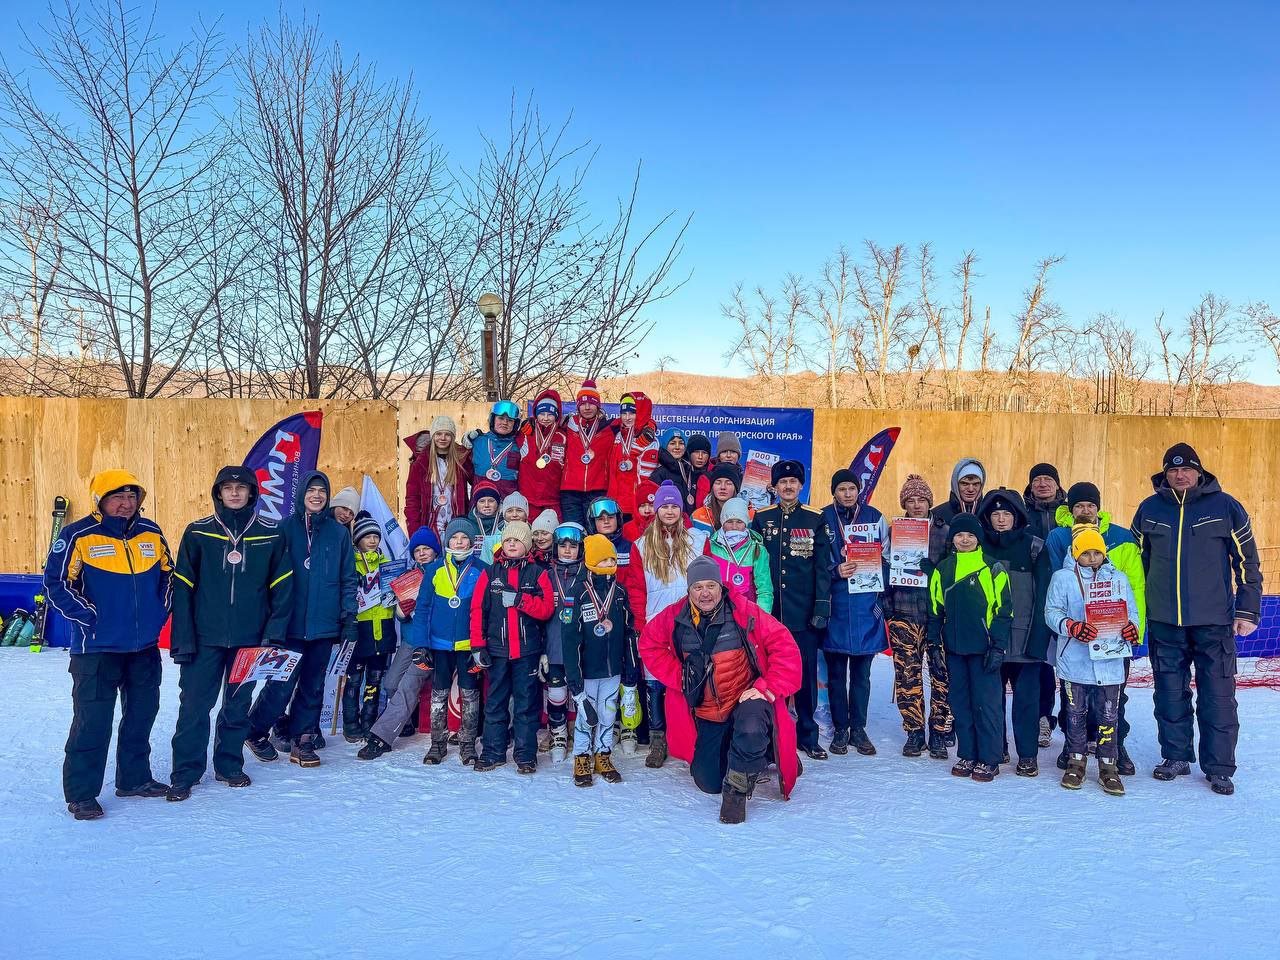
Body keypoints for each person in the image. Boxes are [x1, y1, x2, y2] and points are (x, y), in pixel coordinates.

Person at [1131, 443, 1262, 796]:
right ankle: (1175, 756)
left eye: (1186, 469)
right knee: (1169, 694)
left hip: (1213, 621)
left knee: (1218, 696)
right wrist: (1136, 614)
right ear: (1165, 474)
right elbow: (1134, 566)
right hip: (1164, 622)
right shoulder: (1150, 509)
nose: (1179, 475)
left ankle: (1219, 767)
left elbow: (1247, 562)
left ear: (1199, 471)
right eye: (1172, 470)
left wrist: (1248, 610)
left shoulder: (1225, 507)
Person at [45, 470, 174, 820]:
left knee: (141, 715)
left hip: (143, 647)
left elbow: (169, 576)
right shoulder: (78, 535)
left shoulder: (151, 533)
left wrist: (159, 612)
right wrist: (90, 617)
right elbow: (56, 584)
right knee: (93, 721)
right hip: (96, 650)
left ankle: (134, 779)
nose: (126, 503)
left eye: (132, 497)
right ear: (100, 500)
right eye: (118, 497)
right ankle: (82, 793)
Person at [638, 555, 802, 824]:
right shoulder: (674, 617)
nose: (705, 593)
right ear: (689, 590)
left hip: (745, 699)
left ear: (720, 586)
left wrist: (767, 687)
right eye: (698, 587)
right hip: (709, 712)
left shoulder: (743, 611)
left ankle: (736, 793)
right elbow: (649, 644)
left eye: (711, 586)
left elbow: (785, 646)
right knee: (708, 781)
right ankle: (767, 751)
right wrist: (679, 677)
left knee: (750, 728)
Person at [168, 466, 293, 801]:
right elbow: (182, 590)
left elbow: (282, 589)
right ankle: (185, 771)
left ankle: (228, 764)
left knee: (237, 707)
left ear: (252, 493)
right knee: (194, 706)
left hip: (249, 640)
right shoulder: (198, 533)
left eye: (241, 487)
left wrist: (273, 634)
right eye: (228, 488)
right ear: (218, 493)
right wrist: (183, 639)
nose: (235, 493)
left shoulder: (270, 533)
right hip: (204, 638)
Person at [245, 471, 358, 769]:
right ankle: (255, 730)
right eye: (312, 490)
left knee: (314, 684)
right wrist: (269, 619)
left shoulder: (338, 533)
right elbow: (268, 577)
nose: (317, 495)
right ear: (302, 495)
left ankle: (303, 739)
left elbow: (348, 578)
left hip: (324, 623)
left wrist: (348, 617)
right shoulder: (284, 529)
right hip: (290, 622)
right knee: (281, 684)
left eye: (322, 491)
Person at [1046, 481, 1146, 775]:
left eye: (1090, 505)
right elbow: (1054, 602)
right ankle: (1073, 747)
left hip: (1112, 645)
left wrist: (1134, 628)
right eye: (1079, 506)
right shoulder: (1060, 547)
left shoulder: (1120, 547)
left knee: (1112, 702)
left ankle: (1114, 749)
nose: (1085, 511)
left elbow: (1134, 594)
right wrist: (1070, 627)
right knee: (1073, 700)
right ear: (1070, 509)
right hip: (1075, 647)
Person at [752, 459, 833, 761]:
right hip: (770, 614)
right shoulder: (761, 519)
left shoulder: (815, 518)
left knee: (805, 674)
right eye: (782, 482)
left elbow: (823, 568)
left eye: (793, 482)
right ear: (774, 487)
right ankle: (773, 734)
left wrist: (821, 607)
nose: (787, 487)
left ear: (801, 486)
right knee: (769, 674)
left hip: (803, 613)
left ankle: (808, 736)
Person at [928, 514, 1011, 782]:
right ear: (953, 538)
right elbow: (935, 611)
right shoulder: (943, 569)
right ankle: (967, 753)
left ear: (978, 539)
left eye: (970, 535)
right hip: (954, 649)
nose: (965, 539)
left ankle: (989, 758)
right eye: (960, 535)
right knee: (960, 703)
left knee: (986, 705)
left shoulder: (992, 568)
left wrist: (998, 647)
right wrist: (933, 645)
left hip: (984, 650)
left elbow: (1004, 611)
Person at [976, 488, 1051, 776]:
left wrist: (1039, 639)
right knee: (991, 701)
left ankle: (1027, 755)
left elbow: (1044, 595)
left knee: (1027, 704)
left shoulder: (1034, 547)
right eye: (995, 513)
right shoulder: (979, 548)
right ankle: (997, 749)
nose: (1001, 519)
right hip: (990, 641)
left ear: (1017, 516)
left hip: (1025, 640)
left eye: (1007, 513)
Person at [470, 521, 555, 773]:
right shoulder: (490, 573)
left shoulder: (537, 573)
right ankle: (493, 752)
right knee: (495, 703)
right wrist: (477, 645)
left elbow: (547, 608)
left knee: (526, 704)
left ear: (526, 545)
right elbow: (477, 610)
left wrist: (520, 600)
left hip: (527, 652)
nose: (511, 544)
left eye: (517, 541)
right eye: (508, 540)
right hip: (497, 651)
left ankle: (525, 755)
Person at [634, 481, 707, 764]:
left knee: (690, 679)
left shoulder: (697, 540)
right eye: (664, 505)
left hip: (689, 620)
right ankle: (658, 739)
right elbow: (637, 589)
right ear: (656, 509)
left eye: (674, 505)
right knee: (655, 685)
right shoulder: (641, 545)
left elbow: (707, 582)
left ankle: (692, 735)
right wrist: (642, 625)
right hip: (656, 624)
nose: (669, 510)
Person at [883, 474, 952, 759]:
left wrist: (934, 568)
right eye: (909, 501)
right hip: (903, 612)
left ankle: (939, 731)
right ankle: (914, 731)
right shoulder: (893, 530)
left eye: (921, 500)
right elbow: (883, 570)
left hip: (937, 615)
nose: (916, 505)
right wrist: (887, 605)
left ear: (929, 502)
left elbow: (953, 572)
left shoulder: (945, 531)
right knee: (907, 676)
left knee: (941, 675)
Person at [357, 526, 441, 760]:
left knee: (407, 687)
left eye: (427, 549)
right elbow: (399, 613)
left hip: (429, 643)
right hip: (409, 639)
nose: (422, 553)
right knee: (391, 683)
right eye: (417, 550)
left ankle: (381, 738)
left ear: (435, 551)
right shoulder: (407, 575)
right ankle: (403, 722)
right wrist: (403, 611)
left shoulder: (441, 573)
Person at [821, 469, 889, 757]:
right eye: (842, 489)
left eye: (852, 488)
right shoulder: (822, 518)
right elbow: (815, 559)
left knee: (862, 675)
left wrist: (874, 571)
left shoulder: (875, 517)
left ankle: (858, 728)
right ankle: (840, 729)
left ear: (859, 489)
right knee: (836, 674)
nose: (847, 494)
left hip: (864, 606)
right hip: (836, 605)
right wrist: (835, 570)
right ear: (833, 492)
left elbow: (888, 556)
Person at [409, 518, 486, 765]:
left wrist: (481, 645)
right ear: (447, 541)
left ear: (472, 541)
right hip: (439, 644)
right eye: (455, 538)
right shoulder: (435, 569)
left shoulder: (483, 569)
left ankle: (467, 745)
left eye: (464, 538)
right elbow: (422, 610)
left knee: (470, 694)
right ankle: (437, 744)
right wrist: (421, 644)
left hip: (468, 644)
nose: (460, 541)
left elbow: (487, 611)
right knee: (439, 694)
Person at [564, 535, 634, 786]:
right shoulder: (577, 593)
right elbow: (569, 640)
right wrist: (574, 679)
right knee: (586, 715)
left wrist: (630, 672)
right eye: (603, 559)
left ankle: (603, 754)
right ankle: (581, 756)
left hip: (612, 669)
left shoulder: (620, 593)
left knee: (607, 712)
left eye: (612, 559)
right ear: (591, 561)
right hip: (587, 671)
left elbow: (628, 632)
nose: (609, 564)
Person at [342, 513, 396, 743]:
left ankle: (369, 719)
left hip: (382, 627)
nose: (373, 540)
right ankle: (350, 721)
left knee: (375, 679)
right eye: (367, 536)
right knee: (354, 679)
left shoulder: (388, 564)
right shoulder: (350, 563)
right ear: (357, 540)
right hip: (359, 628)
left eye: (376, 536)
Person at [542, 522, 588, 763]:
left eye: (573, 546)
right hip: (555, 647)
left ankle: (582, 732)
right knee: (557, 694)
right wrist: (542, 651)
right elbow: (538, 616)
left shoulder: (587, 574)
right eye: (562, 546)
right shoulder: (547, 575)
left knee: (582, 694)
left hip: (581, 650)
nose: (567, 551)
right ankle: (558, 733)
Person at [560, 379, 618, 527]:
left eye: (591, 403)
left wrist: (650, 425)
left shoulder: (609, 427)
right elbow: (544, 421)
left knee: (594, 531)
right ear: (578, 406)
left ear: (598, 405)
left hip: (597, 489)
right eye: (583, 403)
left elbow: (635, 422)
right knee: (574, 531)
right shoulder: (568, 424)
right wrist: (530, 423)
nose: (587, 407)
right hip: (570, 491)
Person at [403, 416, 472, 539]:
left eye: (447, 434)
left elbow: (477, 479)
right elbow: (412, 500)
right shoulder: (421, 462)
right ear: (433, 436)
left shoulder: (461, 459)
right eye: (438, 434)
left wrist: (475, 443)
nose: (443, 438)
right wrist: (415, 532)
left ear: (453, 437)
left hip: (456, 525)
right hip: (429, 524)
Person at [706, 497, 772, 610]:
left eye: (739, 522)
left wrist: (761, 619)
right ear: (723, 523)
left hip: (744, 612)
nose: (734, 526)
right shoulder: (711, 546)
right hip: (716, 611)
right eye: (729, 522)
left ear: (746, 523)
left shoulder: (756, 549)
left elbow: (764, 590)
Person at [606, 391, 659, 521]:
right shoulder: (618, 436)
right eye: (624, 413)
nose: (627, 417)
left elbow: (647, 479)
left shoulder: (649, 440)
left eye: (632, 413)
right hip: (616, 504)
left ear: (641, 413)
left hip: (637, 506)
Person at [517, 390, 568, 520]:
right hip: (528, 500)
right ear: (535, 414)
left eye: (550, 414)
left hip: (553, 501)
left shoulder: (563, 436)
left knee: (550, 537)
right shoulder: (526, 433)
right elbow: (504, 435)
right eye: (541, 414)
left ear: (557, 416)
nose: (545, 418)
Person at [465, 399, 522, 500]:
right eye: (500, 418)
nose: (505, 423)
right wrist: (464, 443)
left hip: (508, 509)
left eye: (510, 420)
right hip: (480, 506)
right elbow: (464, 470)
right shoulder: (478, 442)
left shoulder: (520, 445)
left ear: (515, 424)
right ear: (493, 419)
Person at [930, 457, 986, 549]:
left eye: (976, 484)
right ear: (955, 484)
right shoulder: (937, 515)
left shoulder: (989, 514)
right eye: (964, 484)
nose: (971, 489)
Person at [691, 463, 749, 536]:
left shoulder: (749, 514)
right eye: (718, 483)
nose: (723, 487)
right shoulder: (698, 516)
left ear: (736, 488)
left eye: (728, 483)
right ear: (712, 487)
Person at [650, 428, 696, 511]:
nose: (677, 447)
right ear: (664, 446)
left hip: (690, 522)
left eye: (681, 443)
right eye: (672, 443)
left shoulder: (690, 470)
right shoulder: (659, 474)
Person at [1023, 463, 1065, 541]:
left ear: (1057, 486)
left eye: (1048, 479)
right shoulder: (1021, 513)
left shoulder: (1069, 511)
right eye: (1037, 480)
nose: (1042, 484)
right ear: (1031, 487)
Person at [467, 480, 503, 561]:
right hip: (477, 569)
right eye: (482, 501)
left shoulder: (504, 523)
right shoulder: (469, 524)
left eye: (491, 501)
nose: (486, 505)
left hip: (501, 568)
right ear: (476, 504)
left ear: (497, 502)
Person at [686, 434, 714, 508]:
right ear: (689, 453)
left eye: (704, 453)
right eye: (696, 452)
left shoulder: (714, 474)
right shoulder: (682, 472)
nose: (700, 457)